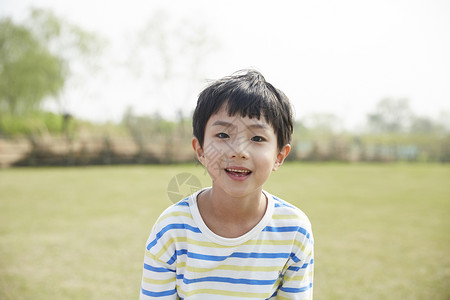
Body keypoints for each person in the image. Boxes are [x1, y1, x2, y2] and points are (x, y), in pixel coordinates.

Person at [140, 69, 314, 299]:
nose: (238, 151)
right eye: (223, 135)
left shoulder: (293, 229)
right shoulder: (172, 228)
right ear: (200, 150)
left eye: (257, 138)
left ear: (279, 156)